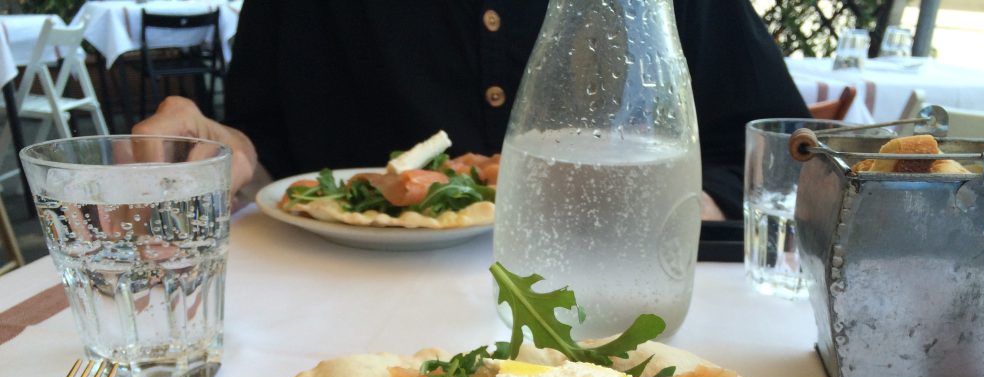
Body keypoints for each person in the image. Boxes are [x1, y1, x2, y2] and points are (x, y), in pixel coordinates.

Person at [134, 1, 809, 219]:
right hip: (340, 323)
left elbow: (790, 154)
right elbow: (271, 167)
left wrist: (682, 207)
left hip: (615, 313)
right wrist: (222, 156)